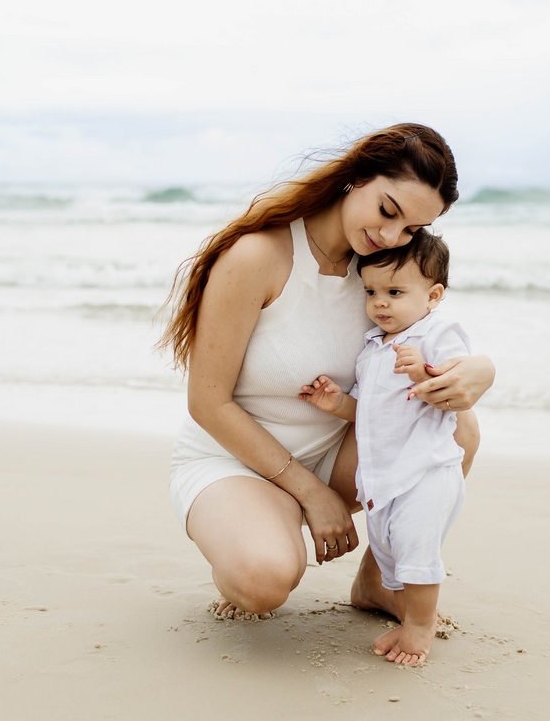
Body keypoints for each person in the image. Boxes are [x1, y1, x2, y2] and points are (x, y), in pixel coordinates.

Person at [160, 124, 495, 621]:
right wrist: (311, 493)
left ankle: (379, 580)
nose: (391, 237)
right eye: (387, 210)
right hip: (235, 459)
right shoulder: (259, 255)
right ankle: (251, 533)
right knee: (262, 581)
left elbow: (430, 334)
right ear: (355, 176)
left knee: (458, 427)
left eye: (410, 230)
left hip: (335, 455)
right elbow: (207, 402)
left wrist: (481, 369)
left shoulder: (378, 269)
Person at [299, 231, 469, 665]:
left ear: (433, 296)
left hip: (425, 471)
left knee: (417, 552)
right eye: (371, 292)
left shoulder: (437, 333)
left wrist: (424, 373)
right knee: (394, 555)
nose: (380, 303)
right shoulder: (373, 349)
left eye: (394, 292)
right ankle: (393, 604)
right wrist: (336, 403)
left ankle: (419, 628)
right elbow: (370, 413)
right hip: (382, 479)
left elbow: (456, 380)